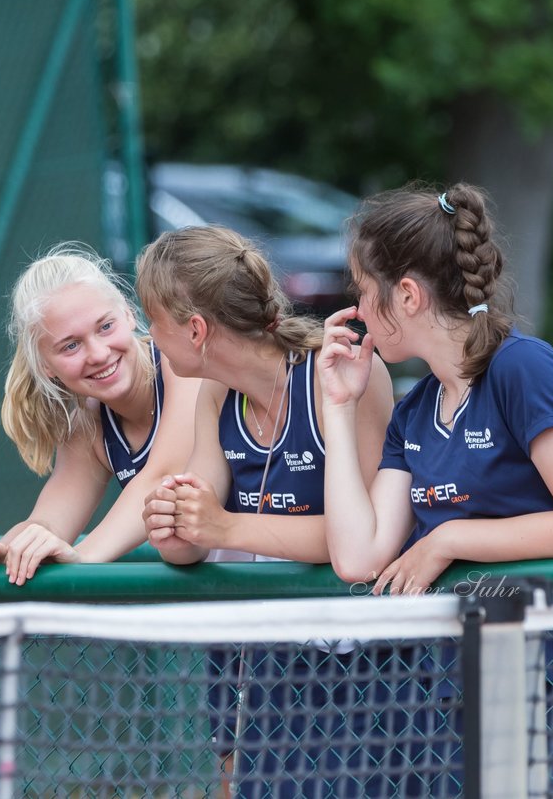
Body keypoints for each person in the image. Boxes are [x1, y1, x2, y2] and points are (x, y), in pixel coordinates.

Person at [316, 182, 553, 794]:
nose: (355, 305)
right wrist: (337, 405)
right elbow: (358, 556)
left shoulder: (524, 368)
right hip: (455, 695)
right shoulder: (415, 412)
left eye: (362, 286)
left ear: (405, 294)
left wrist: (451, 539)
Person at [135, 225, 394, 798]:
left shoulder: (343, 375)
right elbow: (191, 536)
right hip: (259, 657)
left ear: (196, 330)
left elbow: (371, 540)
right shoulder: (216, 395)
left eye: (153, 322)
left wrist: (223, 524)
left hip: (363, 663)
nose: (148, 338)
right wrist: (172, 521)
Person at [0, 244, 201, 584]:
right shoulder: (88, 420)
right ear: (45, 365)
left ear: (127, 313)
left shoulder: (180, 364)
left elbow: (162, 476)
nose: (97, 353)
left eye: (105, 326)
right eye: (70, 345)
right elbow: (49, 523)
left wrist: (82, 559)